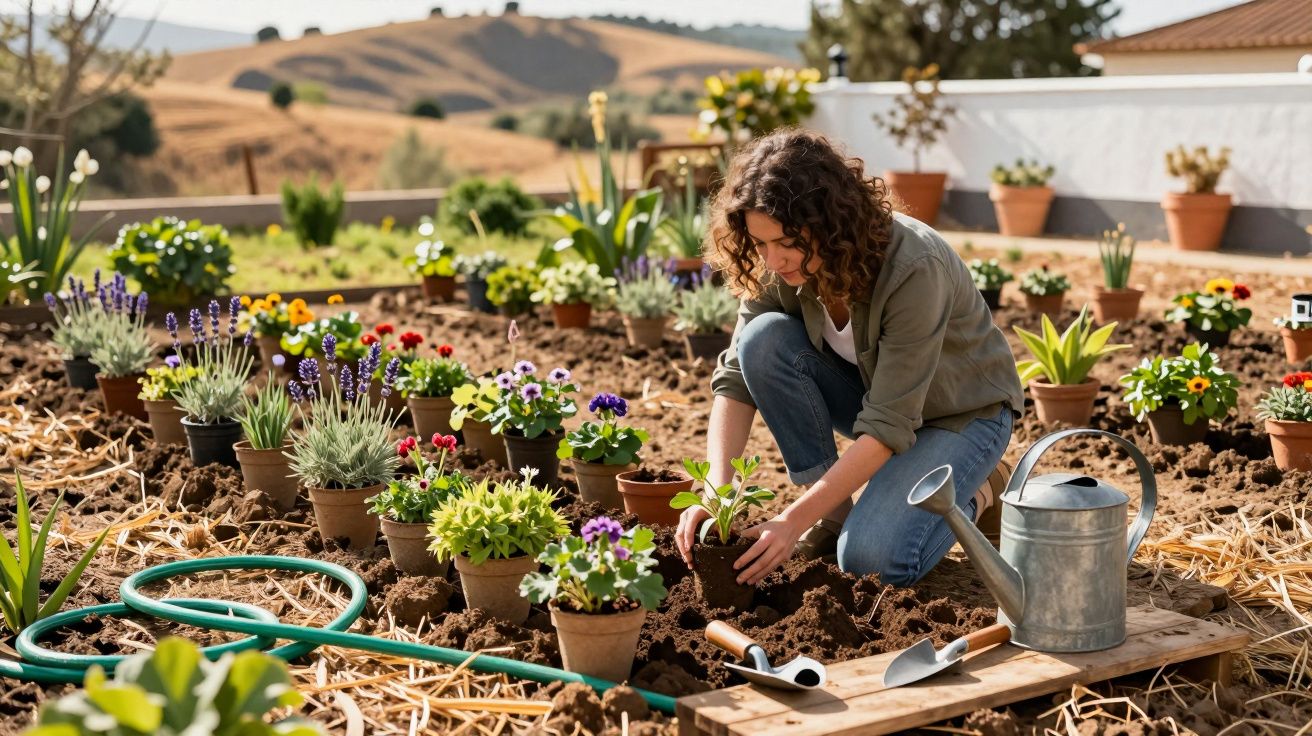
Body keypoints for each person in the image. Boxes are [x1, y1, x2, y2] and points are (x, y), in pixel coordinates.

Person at [674, 128, 1024, 588]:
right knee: (761, 340)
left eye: (787, 241)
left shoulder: (914, 266)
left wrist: (791, 521)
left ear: (830, 223)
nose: (773, 260)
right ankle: (834, 517)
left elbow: (887, 423)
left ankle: (982, 487)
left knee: (869, 561)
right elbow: (737, 376)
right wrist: (716, 493)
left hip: (961, 417)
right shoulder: (781, 264)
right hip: (878, 402)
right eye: (760, 244)